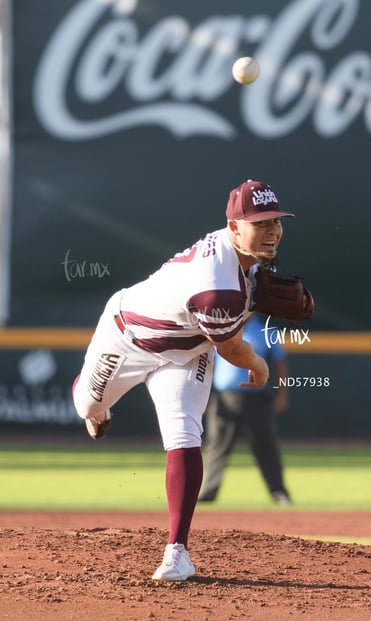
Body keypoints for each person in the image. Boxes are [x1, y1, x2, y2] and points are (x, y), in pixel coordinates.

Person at [72, 179, 295, 581]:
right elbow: (232, 349)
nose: (273, 230)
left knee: (184, 434)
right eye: (260, 223)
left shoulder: (249, 263)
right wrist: (261, 367)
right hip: (128, 337)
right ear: (233, 227)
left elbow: (231, 318)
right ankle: (98, 408)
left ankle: (177, 550)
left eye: (276, 221)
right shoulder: (216, 285)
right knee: (87, 406)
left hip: (185, 352)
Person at [198, 313, 291, 504]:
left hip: (256, 398)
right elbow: (206, 363)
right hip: (224, 397)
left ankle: (278, 492)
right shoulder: (220, 328)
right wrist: (202, 397)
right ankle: (208, 492)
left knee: (266, 447)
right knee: (217, 445)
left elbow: (279, 363)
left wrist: (282, 393)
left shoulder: (266, 330)